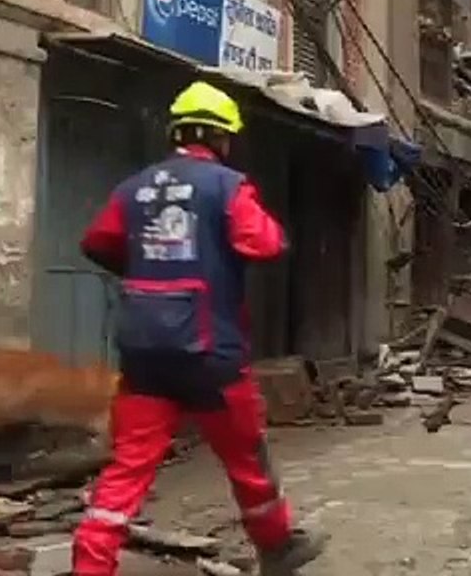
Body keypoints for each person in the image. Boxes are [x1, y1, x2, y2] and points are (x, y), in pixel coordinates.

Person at [72, 81, 327, 576]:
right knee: (247, 459)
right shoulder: (227, 186)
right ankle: (277, 547)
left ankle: (90, 564)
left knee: (128, 468)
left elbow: (97, 242)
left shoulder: (134, 188)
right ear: (220, 137)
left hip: (145, 354)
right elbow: (267, 243)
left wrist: (149, 267)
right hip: (213, 355)